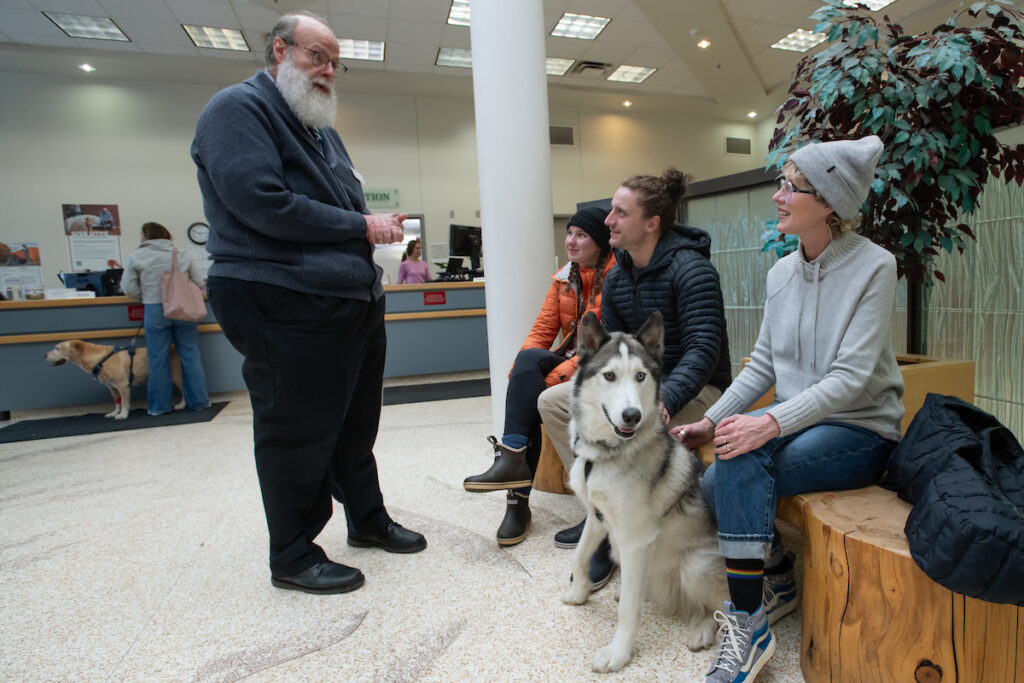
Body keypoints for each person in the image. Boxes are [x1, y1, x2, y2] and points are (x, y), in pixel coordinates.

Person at [190, 11, 425, 596]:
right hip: (282, 297)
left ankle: (366, 519)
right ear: (279, 51)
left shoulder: (321, 130)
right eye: (316, 56)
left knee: (353, 423)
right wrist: (360, 225)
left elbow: (346, 206)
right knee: (297, 426)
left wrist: (371, 226)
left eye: (334, 62)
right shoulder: (236, 109)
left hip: (349, 299)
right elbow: (262, 203)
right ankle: (292, 553)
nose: (328, 71)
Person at [673, 136, 904, 683]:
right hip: (797, 421)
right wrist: (711, 421)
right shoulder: (781, 273)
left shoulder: (875, 266)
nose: (777, 196)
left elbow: (850, 380)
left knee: (740, 461)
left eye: (790, 187)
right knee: (715, 477)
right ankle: (775, 572)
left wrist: (769, 422)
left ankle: (748, 622)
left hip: (860, 428)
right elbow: (763, 368)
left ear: (828, 202)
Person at [538, 168, 731, 587]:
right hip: (639, 388)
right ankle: (602, 513)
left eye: (620, 213)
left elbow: (703, 351)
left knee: (628, 433)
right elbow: (610, 350)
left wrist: (663, 400)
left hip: (700, 392)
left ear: (651, 223)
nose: (608, 220)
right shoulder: (620, 276)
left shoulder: (692, 271)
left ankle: (616, 532)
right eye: (611, 211)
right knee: (553, 402)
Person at [463, 206, 615, 546]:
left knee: (531, 395)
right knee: (529, 359)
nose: (571, 242)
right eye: (570, 233)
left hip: (601, 367)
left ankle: (517, 502)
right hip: (569, 361)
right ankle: (513, 462)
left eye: (582, 236)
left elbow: (598, 347)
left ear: (601, 243)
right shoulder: (564, 278)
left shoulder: (615, 277)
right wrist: (521, 371)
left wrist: (543, 382)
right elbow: (542, 331)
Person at [120, 222, 210, 415]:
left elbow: (128, 288)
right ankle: (199, 402)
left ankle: (159, 407)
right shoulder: (181, 254)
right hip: (183, 309)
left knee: (158, 359)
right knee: (190, 355)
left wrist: (146, 296)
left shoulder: (137, 256)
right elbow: (197, 282)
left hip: (155, 309)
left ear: (145, 236)